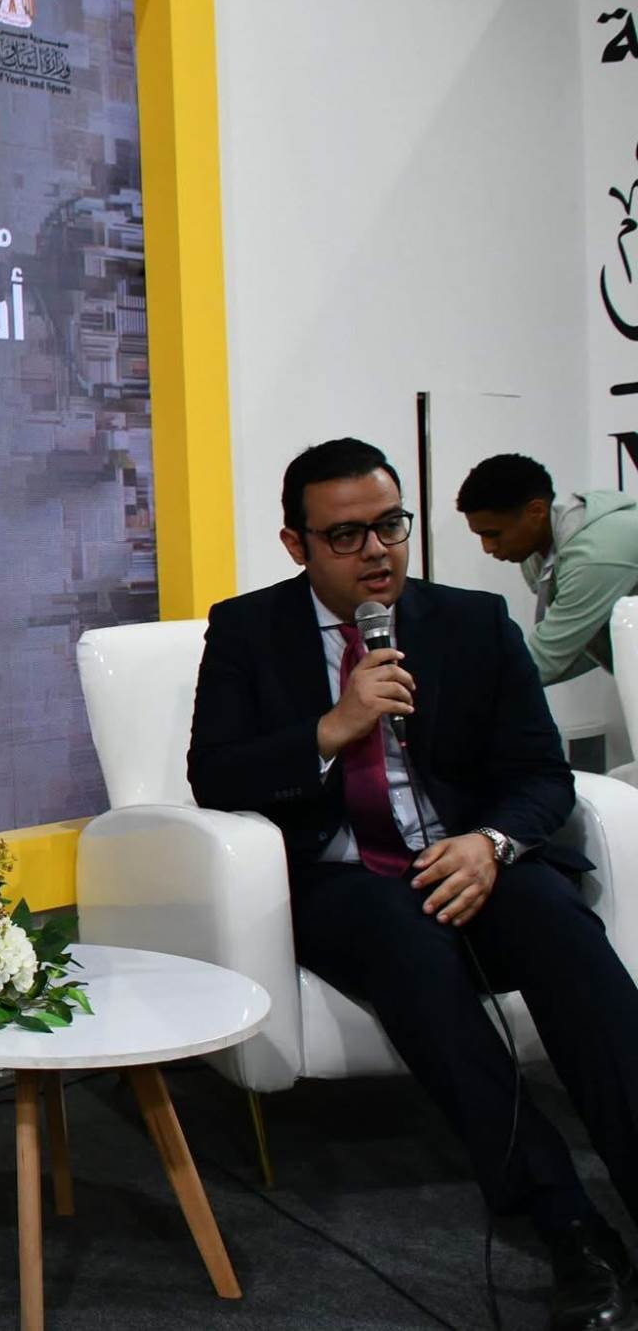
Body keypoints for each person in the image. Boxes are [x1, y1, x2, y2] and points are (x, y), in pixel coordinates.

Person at [189, 438, 638, 1331]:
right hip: (344, 876)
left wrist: (492, 843)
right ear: (296, 544)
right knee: (410, 950)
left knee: (561, 929)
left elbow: (541, 773)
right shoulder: (247, 630)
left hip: (472, 856)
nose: (377, 551)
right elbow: (216, 775)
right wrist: (332, 727)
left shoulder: (473, 621)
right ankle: (568, 1225)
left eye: (389, 525)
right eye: (345, 535)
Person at [456, 453, 638, 683]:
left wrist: (455, 686)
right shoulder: (537, 556)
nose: (488, 547)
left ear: (536, 511)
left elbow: (546, 659)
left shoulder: (596, 555)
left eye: (493, 534)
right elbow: (579, 644)